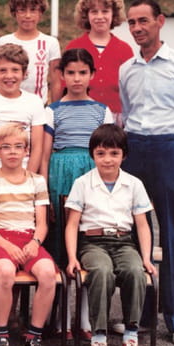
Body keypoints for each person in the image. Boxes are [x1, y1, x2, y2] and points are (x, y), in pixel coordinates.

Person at [119, 0, 174, 346]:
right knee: (133, 235)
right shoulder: (127, 69)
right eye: (131, 22)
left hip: (170, 147)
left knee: (173, 234)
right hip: (134, 149)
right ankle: (137, 316)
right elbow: (127, 113)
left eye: (143, 21)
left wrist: (171, 152)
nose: (137, 28)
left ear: (160, 21)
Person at [64, 124, 155, 346]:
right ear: (92, 155)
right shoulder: (82, 183)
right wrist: (72, 257)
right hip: (93, 243)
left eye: (114, 153)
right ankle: (99, 338)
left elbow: (142, 225)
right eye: (101, 153)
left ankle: (131, 335)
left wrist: (146, 258)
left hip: (124, 242)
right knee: (102, 272)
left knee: (135, 271)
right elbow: (72, 225)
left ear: (124, 155)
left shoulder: (134, 184)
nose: (107, 159)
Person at [0, 123, 56, 346]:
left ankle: (33, 336)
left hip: (29, 238)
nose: (12, 152)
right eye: (6, 147)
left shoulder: (37, 181)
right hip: (1, 239)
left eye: (18, 147)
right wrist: (8, 246)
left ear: (26, 151)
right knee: (5, 271)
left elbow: (42, 224)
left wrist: (35, 242)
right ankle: (0, 335)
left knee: (48, 274)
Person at [41, 49, 113, 266]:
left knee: (89, 221)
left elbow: (108, 150)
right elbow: (44, 156)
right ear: (62, 74)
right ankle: (59, 276)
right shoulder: (53, 110)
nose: (77, 78)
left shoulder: (102, 110)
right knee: (61, 223)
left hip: (91, 170)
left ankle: (90, 269)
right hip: (60, 172)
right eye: (71, 73)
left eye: (83, 72)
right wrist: (44, 191)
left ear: (92, 74)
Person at [65, 0, 133, 124]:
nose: (100, 16)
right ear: (86, 15)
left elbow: (131, 91)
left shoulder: (125, 50)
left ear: (114, 14)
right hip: (80, 116)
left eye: (105, 11)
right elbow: (64, 86)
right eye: (94, 11)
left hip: (116, 120)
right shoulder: (74, 47)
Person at [0, 44, 45, 175]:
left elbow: (37, 148)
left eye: (15, 70)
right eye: (2, 70)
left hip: (25, 178)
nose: (9, 76)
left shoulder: (35, 102)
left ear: (24, 73)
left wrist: (27, 179)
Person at [0, 0, 61, 104]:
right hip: (9, 106)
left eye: (33, 10)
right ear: (14, 12)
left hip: (39, 107)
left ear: (41, 12)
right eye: (22, 10)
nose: (27, 15)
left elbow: (56, 81)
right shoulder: (3, 42)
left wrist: (56, 109)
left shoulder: (50, 43)